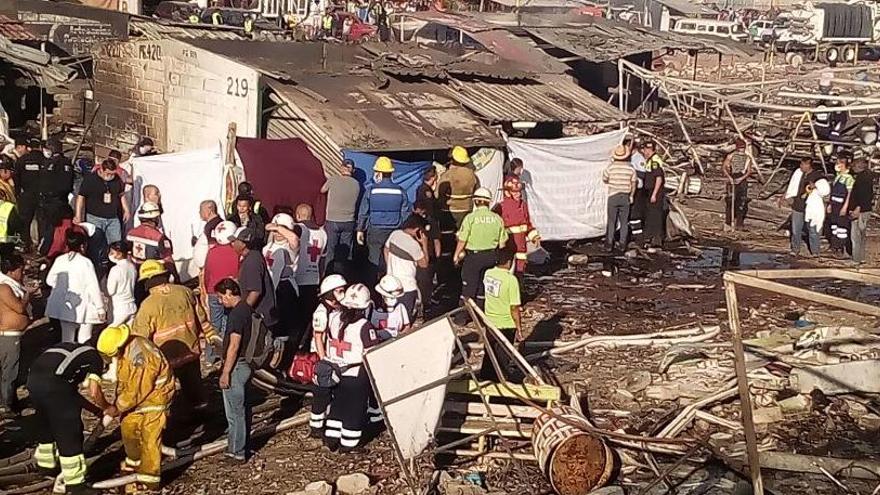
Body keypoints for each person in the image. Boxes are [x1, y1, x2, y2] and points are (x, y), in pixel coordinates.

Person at [132, 260, 218, 411]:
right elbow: (202, 319)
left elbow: (140, 338)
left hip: (166, 358)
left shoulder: (148, 305)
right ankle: (202, 413)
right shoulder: (185, 292)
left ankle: (176, 417)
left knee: (167, 393)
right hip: (191, 352)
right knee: (194, 388)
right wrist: (212, 337)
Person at [97, 325, 175, 493]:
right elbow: (127, 383)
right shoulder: (128, 349)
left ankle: (149, 480)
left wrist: (117, 407)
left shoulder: (140, 358)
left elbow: (137, 390)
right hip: (137, 399)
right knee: (128, 429)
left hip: (155, 398)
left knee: (150, 437)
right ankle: (134, 463)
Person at [27, 341, 111, 495]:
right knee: (69, 432)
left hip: (34, 382)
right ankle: (75, 484)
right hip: (54, 386)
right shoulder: (95, 358)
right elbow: (94, 391)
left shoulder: (71, 350)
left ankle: (46, 465)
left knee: (46, 423)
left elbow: (70, 391)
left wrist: (94, 410)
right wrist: (107, 407)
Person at [312, 283, 382, 451]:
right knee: (354, 410)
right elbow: (371, 353)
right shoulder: (365, 326)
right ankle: (348, 444)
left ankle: (332, 437)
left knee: (337, 405)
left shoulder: (334, 318)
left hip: (335, 371)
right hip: (356, 374)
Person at [214, 278, 253, 463]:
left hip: (236, 366)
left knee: (235, 413)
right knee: (241, 410)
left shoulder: (236, 315)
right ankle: (236, 447)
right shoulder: (247, 308)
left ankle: (237, 451)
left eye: (222, 297)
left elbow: (234, 345)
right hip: (245, 364)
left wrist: (225, 372)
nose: (221, 301)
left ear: (229, 292)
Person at [46, 230, 106, 343]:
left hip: (65, 304)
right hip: (84, 305)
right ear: (83, 246)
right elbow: (93, 286)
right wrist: (100, 307)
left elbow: (49, 280)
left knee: (67, 339)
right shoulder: (86, 262)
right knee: (84, 338)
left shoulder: (60, 260)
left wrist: (61, 287)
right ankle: (83, 358)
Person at [357, 156, 410, 282]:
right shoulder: (400, 191)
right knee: (392, 261)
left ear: (378, 173)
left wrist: (360, 229)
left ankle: (374, 287)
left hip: (375, 229)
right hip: (394, 230)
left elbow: (363, 211)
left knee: (373, 261)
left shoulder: (371, 190)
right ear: (391, 173)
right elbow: (406, 212)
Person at [453, 188, 508, 310]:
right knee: (484, 287)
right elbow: (502, 243)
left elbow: (462, 239)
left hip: (473, 258)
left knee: (469, 287)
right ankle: (483, 313)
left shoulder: (470, 218)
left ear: (476, 201)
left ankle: (463, 316)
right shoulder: (497, 219)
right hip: (491, 257)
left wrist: (456, 255)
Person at [480, 244, 523, 383]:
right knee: (503, 356)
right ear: (510, 262)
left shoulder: (488, 274)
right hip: (506, 324)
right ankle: (501, 383)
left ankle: (486, 378)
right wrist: (519, 328)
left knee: (490, 353)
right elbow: (514, 308)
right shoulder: (511, 280)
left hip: (490, 321)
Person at [203, 221, 241, 364]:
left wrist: (208, 289)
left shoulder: (212, 251)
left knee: (214, 324)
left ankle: (210, 356)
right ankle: (226, 353)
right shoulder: (236, 252)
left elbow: (207, 273)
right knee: (228, 324)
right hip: (230, 293)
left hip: (214, 291)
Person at [233, 227, 279, 338]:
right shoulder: (251, 258)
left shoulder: (252, 261)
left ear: (243, 244)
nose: (232, 243)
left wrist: (243, 312)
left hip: (260, 318)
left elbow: (255, 290)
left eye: (235, 241)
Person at [263, 213, 300, 350]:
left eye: (281, 229)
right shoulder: (266, 248)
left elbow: (294, 238)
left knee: (285, 329)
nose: (277, 233)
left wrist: (277, 227)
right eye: (275, 230)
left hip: (285, 289)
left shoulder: (290, 247)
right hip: (269, 288)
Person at [293, 204, 327, 348]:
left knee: (295, 319)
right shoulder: (322, 233)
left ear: (298, 215)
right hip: (314, 279)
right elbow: (323, 260)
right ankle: (304, 347)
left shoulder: (298, 229)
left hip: (297, 278)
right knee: (307, 318)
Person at [75, 158, 130, 245]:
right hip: (95, 217)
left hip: (112, 217)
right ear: (101, 169)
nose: (110, 176)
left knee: (116, 244)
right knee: (95, 244)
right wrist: (78, 215)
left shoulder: (117, 179)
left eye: (112, 174)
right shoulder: (90, 179)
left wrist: (126, 209)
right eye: (108, 173)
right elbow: (81, 197)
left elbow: (121, 194)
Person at [0, 253, 28, 418]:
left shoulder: (11, 285)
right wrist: (27, 297)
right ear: (11, 271)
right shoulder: (4, 287)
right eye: (20, 270)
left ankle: (9, 400)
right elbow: (18, 308)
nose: (22, 273)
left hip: (13, 334)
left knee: (10, 370)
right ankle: (6, 404)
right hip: (8, 335)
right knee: (9, 371)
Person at [782, 157, 829, 257]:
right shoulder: (799, 173)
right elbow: (792, 185)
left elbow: (825, 190)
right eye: (801, 164)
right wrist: (787, 196)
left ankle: (815, 251)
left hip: (811, 207)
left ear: (808, 165)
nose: (801, 166)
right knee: (796, 229)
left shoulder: (818, 176)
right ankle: (795, 249)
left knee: (813, 230)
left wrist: (816, 187)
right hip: (798, 205)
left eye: (803, 164)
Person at [494, 174, 540, 274]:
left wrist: (534, 237)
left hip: (521, 249)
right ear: (507, 192)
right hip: (506, 248)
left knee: (519, 274)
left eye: (519, 192)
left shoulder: (523, 205)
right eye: (515, 192)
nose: (518, 194)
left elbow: (527, 224)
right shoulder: (500, 207)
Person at [384, 214, 428, 317]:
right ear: (417, 229)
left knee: (391, 316)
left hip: (391, 284)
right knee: (405, 318)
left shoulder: (394, 234)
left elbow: (386, 250)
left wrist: (389, 269)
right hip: (407, 287)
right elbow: (424, 264)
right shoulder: (413, 245)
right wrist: (424, 244)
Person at [321, 159, 360, 274]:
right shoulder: (357, 184)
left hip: (332, 220)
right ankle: (344, 275)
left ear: (341, 168)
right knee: (345, 252)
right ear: (352, 170)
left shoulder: (333, 180)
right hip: (349, 222)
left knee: (331, 251)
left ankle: (328, 275)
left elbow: (322, 190)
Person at [13, 136, 47, 250]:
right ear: (40, 147)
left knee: (24, 221)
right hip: (42, 195)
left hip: (26, 195)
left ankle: (25, 244)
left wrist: (17, 193)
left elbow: (16, 178)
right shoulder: (45, 161)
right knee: (42, 221)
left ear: (29, 148)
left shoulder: (21, 160)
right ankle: (41, 247)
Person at [602, 144, 636, 253]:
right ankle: (622, 245)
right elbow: (634, 183)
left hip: (613, 196)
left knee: (612, 221)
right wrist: (631, 195)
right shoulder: (630, 168)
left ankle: (609, 245)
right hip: (625, 196)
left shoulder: (610, 167)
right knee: (624, 222)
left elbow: (605, 179)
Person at [310, 274, 348, 362]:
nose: (343, 294)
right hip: (322, 354)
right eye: (340, 291)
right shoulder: (321, 312)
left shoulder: (338, 308)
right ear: (330, 293)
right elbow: (318, 338)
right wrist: (323, 361)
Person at [413, 198, 441, 313]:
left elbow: (436, 240)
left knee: (426, 282)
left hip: (428, 256)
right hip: (417, 256)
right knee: (421, 282)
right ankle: (423, 303)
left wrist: (437, 256)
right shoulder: (413, 222)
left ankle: (426, 303)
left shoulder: (430, 222)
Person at [722, 139, 754, 229]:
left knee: (741, 202)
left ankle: (739, 223)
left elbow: (748, 171)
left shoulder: (747, 158)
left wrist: (741, 179)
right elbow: (724, 167)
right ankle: (728, 223)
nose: (742, 150)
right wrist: (730, 178)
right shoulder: (731, 156)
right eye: (740, 148)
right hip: (733, 177)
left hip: (742, 179)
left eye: (743, 148)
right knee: (730, 201)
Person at [828, 154, 855, 258]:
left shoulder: (849, 178)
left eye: (840, 163)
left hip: (841, 205)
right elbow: (832, 192)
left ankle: (840, 248)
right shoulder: (838, 176)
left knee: (841, 228)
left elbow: (849, 194)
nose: (838, 165)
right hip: (834, 204)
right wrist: (830, 204)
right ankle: (834, 246)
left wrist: (845, 207)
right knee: (834, 226)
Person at [106, 240, 137, 327]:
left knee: (112, 333)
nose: (110, 255)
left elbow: (111, 291)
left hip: (121, 307)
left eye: (112, 252)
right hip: (132, 305)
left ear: (119, 254)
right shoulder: (132, 266)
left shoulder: (115, 269)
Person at [641, 141, 666, 250]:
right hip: (649, 191)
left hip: (655, 192)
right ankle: (650, 237)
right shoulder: (650, 160)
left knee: (655, 215)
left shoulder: (655, 161)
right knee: (650, 214)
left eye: (647, 150)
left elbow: (658, 178)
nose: (645, 152)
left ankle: (656, 238)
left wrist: (654, 194)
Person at [849, 159, 874, 265]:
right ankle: (862, 257)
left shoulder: (862, 179)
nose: (852, 168)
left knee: (856, 236)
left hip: (860, 210)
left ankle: (856, 259)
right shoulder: (867, 177)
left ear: (859, 167)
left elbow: (863, 196)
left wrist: (857, 208)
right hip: (866, 210)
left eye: (854, 166)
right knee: (862, 235)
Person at [192, 200, 222, 271]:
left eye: (201, 209)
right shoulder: (211, 224)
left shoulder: (213, 225)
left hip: (210, 268)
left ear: (210, 210)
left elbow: (213, 247)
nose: (199, 212)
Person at [628, 139, 647, 241]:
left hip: (638, 188)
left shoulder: (639, 158)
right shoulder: (630, 158)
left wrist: (631, 170)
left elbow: (643, 173)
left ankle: (638, 237)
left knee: (635, 212)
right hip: (631, 188)